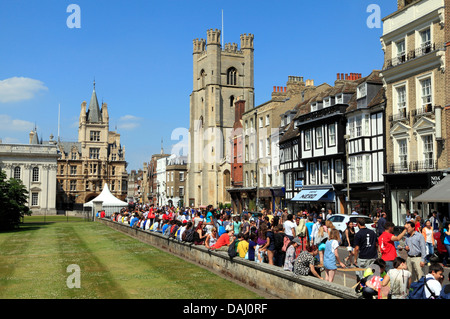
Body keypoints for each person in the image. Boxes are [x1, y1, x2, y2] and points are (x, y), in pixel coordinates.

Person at [353, 217, 378, 281]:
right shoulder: (372, 232)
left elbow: (356, 248)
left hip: (363, 257)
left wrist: (355, 259)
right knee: (371, 274)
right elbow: (376, 244)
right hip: (372, 256)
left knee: (361, 275)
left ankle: (362, 288)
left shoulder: (358, 234)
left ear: (358, 224)